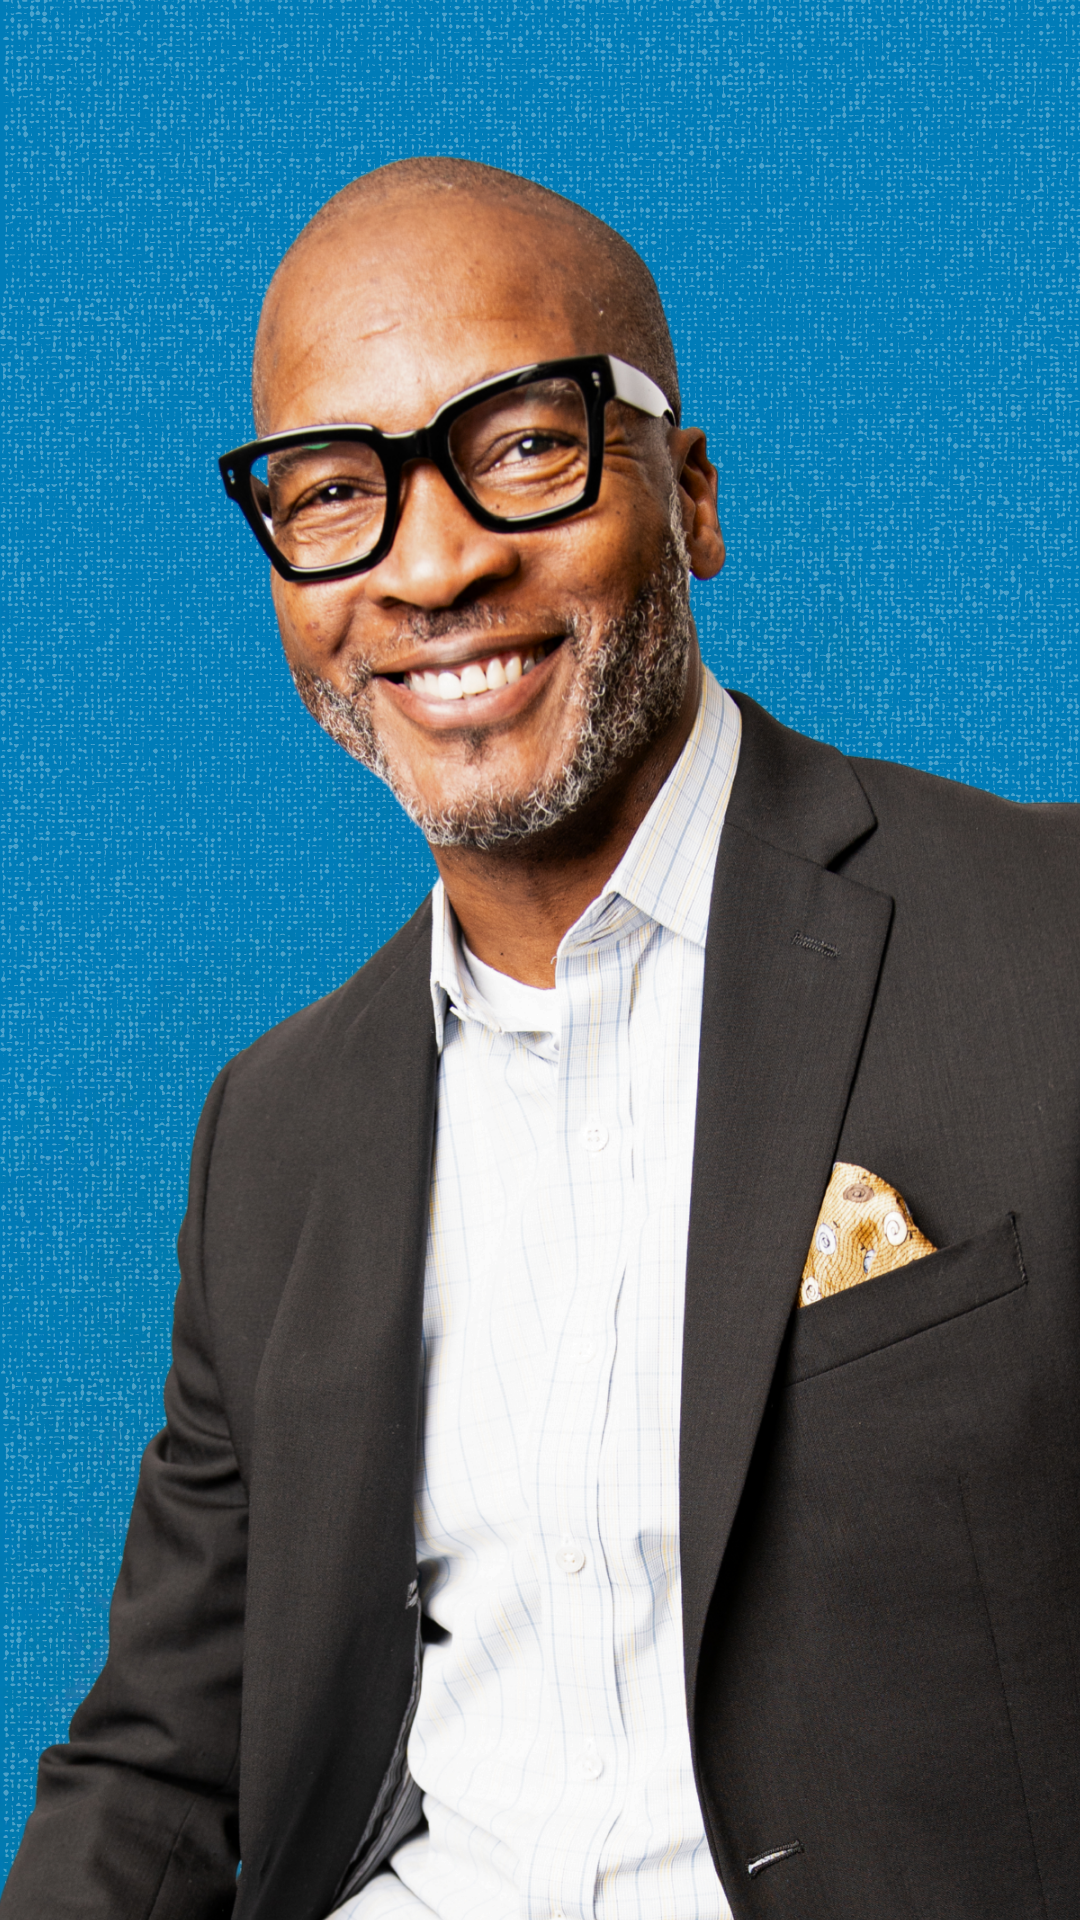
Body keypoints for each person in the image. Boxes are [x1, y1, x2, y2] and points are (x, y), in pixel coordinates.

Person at [4, 157, 1079, 1920]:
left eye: (520, 446)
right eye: (334, 489)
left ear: (694, 494)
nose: (431, 564)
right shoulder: (271, 1134)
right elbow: (166, 1759)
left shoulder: (1052, 946)